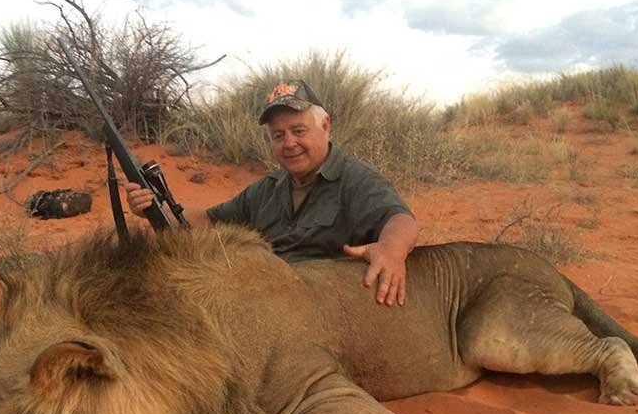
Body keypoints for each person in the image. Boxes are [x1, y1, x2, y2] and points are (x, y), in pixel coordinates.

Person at [125, 79, 418, 306]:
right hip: (267, 300)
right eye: (278, 136)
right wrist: (154, 208)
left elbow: (400, 219)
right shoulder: (268, 188)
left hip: (327, 305)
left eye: (298, 131)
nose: (289, 143)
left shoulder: (356, 179)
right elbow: (208, 220)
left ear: (325, 127)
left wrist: (391, 250)